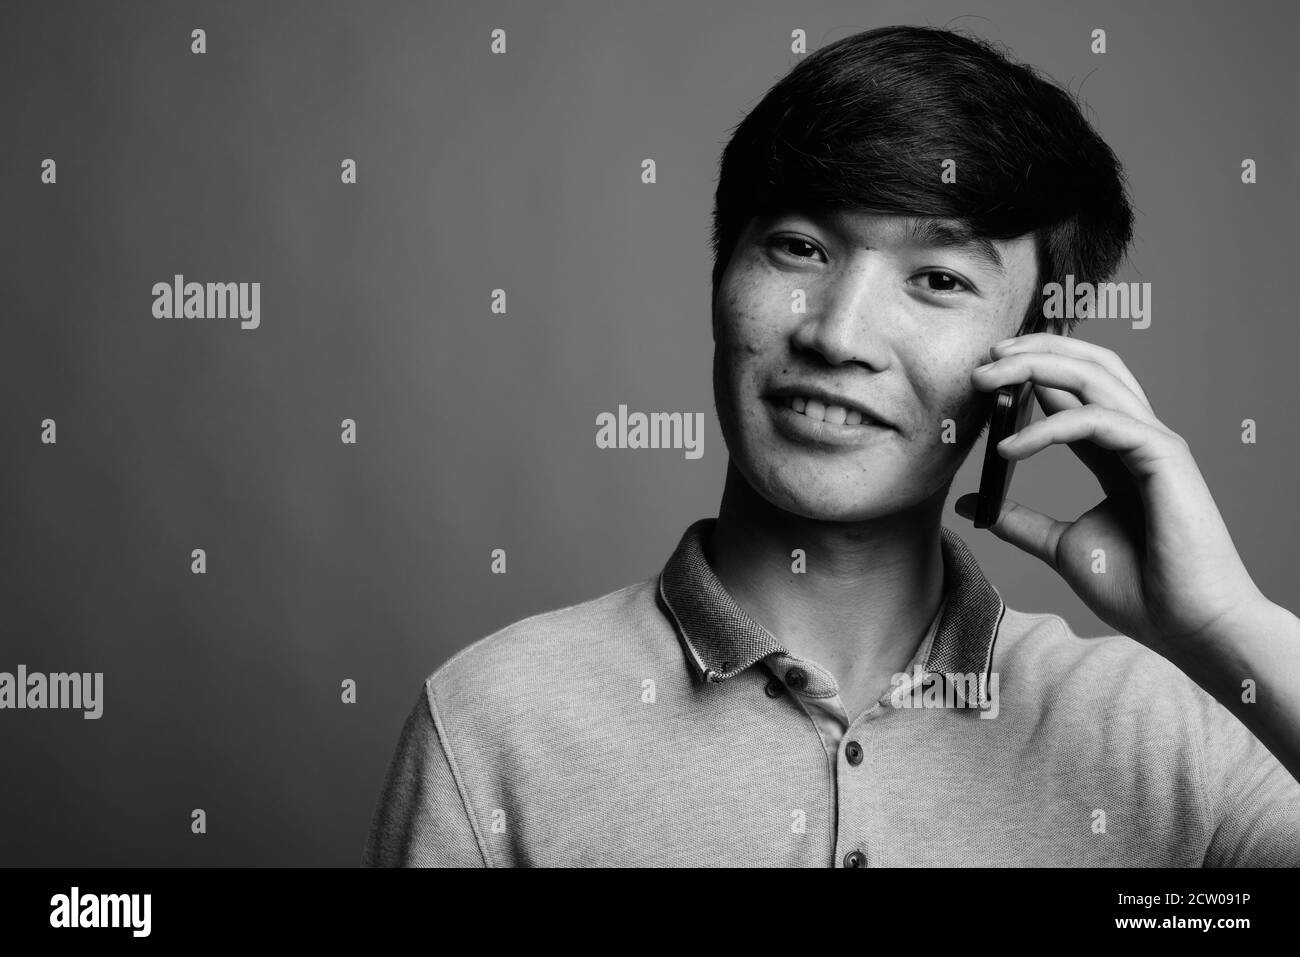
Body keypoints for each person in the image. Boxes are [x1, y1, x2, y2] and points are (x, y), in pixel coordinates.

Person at [363, 24, 1300, 867]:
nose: (839, 334)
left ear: (1031, 360)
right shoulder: (497, 722)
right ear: (722, 275)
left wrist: (1226, 625)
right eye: (800, 248)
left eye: (936, 278)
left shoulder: (1171, 737)